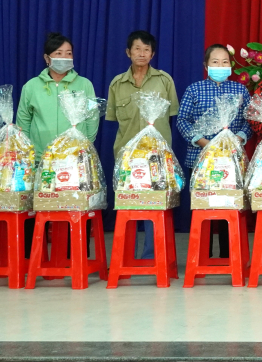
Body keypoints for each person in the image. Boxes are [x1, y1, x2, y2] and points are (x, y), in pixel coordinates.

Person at [17, 32, 99, 256]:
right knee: (36, 206)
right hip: (40, 159)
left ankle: (76, 255)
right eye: (58, 53)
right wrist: (30, 152)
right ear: (47, 58)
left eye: (68, 53)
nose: (64, 57)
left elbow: (92, 119)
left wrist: (83, 147)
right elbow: (23, 121)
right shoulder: (31, 86)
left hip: (74, 159)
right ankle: (32, 256)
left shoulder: (84, 84)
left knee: (77, 206)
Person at [107, 30, 179, 260]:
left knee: (155, 204)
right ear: (128, 52)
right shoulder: (117, 84)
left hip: (157, 155)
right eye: (137, 48)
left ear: (152, 54)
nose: (141, 53)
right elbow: (113, 118)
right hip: (127, 155)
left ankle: (151, 257)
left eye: (146, 49)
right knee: (126, 205)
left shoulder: (164, 81)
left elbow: (172, 114)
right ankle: (125, 258)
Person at [175, 44, 252, 258]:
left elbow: (249, 121)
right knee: (204, 208)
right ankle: (202, 257)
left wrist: (236, 139)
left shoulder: (240, 90)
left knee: (230, 207)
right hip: (200, 159)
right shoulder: (194, 89)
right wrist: (204, 143)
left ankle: (229, 258)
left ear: (231, 65)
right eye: (215, 62)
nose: (220, 65)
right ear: (206, 65)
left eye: (225, 62)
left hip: (232, 159)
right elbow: (182, 120)